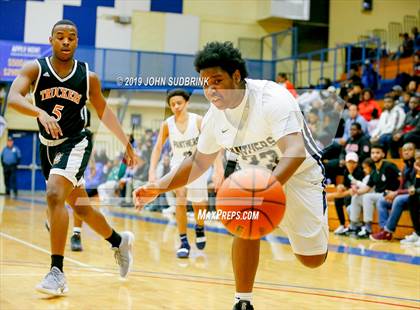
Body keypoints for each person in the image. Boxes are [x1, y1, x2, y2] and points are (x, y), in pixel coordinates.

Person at [134, 41, 328, 310]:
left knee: (313, 260)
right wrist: (158, 186)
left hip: (298, 173)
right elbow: (198, 162)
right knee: (245, 223)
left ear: (236, 76)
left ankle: (295, 218)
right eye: (205, 83)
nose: (211, 89)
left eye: (217, 80)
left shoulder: (272, 98)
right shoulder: (215, 117)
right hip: (253, 176)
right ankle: (242, 301)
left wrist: (268, 190)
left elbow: (294, 151)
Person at [6, 19, 138, 296]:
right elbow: (14, 99)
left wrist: (126, 143)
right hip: (47, 145)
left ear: (77, 42)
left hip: (76, 142)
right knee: (81, 208)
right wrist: (38, 113)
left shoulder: (87, 76)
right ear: (51, 40)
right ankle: (119, 241)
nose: (66, 41)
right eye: (60, 37)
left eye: (72, 37)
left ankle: (56, 272)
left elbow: (104, 111)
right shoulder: (36, 69)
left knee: (55, 194)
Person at [148, 89, 210, 258]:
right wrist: (152, 170)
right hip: (178, 165)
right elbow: (158, 148)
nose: (176, 106)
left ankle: (199, 226)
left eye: (179, 103)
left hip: (197, 165)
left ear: (187, 103)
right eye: (172, 104)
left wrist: (218, 169)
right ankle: (183, 241)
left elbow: (212, 144)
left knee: (199, 204)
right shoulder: (167, 124)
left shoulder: (198, 121)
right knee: (180, 199)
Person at [370, 142, 416, 241]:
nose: (407, 152)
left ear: (415, 152)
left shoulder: (417, 166)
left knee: (398, 199)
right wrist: (393, 193)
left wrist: (396, 194)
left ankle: (388, 231)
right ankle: (383, 229)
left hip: (414, 195)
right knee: (382, 200)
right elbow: (401, 186)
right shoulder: (405, 168)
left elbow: (414, 188)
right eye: (404, 150)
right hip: (406, 195)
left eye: (410, 150)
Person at [353, 144, 400, 238]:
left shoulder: (389, 166)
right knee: (357, 197)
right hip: (379, 195)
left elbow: (401, 178)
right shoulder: (374, 170)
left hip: (390, 194)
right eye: (373, 153)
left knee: (367, 197)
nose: (375, 155)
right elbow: (367, 188)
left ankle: (368, 228)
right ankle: (354, 225)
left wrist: (396, 193)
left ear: (383, 154)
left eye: (377, 153)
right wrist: (356, 191)